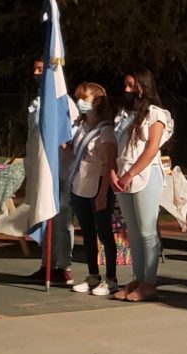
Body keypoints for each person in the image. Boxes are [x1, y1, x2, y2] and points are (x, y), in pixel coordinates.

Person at [111, 68, 173, 302]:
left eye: (131, 85)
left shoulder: (156, 114)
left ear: (142, 86)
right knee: (133, 232)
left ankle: (150, 281)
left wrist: (129, 175)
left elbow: (151, 148)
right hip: (123, 174)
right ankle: (137, 278)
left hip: (146, 174)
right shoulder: (124, 114)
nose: (126, 90)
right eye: (125, 85)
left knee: (147, 231)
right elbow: (116, 146)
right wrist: (115, 173)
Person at [22, 57, 77, 284]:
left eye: (40, 69)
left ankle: (64, 266)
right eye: (34, 69)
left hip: (59, 171)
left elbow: (71, 136)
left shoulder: (64, 103)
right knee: (44, 217)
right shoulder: (38, 102)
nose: (36, 73)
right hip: (41, 169)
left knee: (62, 220)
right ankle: (46, 264)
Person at [67, 82, 118, 296]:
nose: (79, 102)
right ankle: (93, 275)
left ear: (97, 102)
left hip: (98, 184)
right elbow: (74, 151)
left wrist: (103, 192)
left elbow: (109, 163)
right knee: (87, 233)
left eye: (84, 98)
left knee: (104, 232)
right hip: (80, 183)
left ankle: (112, 278)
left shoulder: (105, 131)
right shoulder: (79, 127)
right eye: (78, 97)